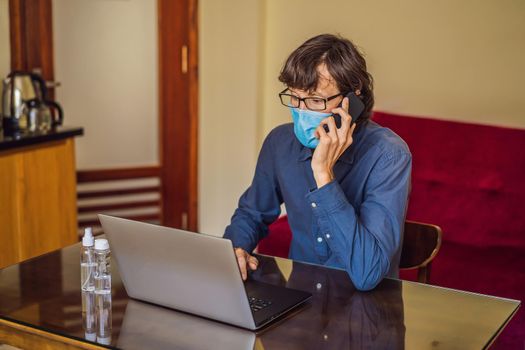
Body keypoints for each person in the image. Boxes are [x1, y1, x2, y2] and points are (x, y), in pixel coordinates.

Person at [224, 34, 412, 291]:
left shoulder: (389, 156)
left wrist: (324, 174)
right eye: (294, 97)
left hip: (367, 315)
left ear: (352, 97)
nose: (302, 111)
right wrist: (236, 249)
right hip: (300, 302)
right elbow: (252, 213)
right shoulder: (280, 143)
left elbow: (368, 272)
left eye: (315, 100)